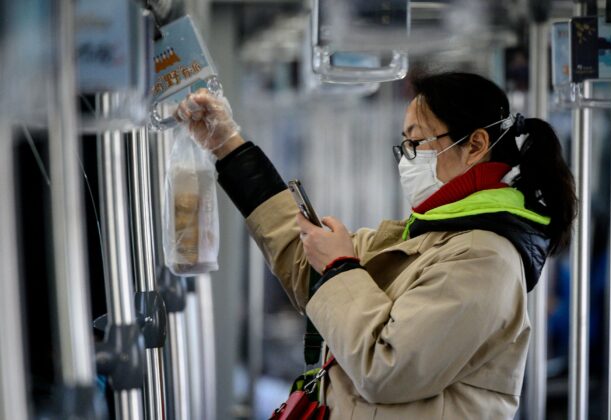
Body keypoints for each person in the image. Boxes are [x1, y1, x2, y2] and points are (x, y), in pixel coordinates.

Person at [176, 71, 577, 419]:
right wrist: (227, 144)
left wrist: (340, 268)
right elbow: (305, 264)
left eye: (417, 142)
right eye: (404, 145)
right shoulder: (424, 239)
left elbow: (386, 368)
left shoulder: (484, 260)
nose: (407, 159)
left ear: (474, 145)